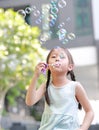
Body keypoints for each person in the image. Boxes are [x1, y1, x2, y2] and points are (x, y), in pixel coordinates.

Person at [25, 47, 94, 130]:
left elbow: (90, 112)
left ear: (70, 67)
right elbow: (30, 101)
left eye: (62, 57)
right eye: (53, 57)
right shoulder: (46, 86)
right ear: (48, 66)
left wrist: (82, 128)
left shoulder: (75, 87)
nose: (57, 59)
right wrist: (36, 76)